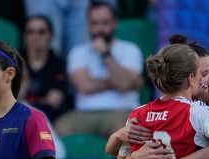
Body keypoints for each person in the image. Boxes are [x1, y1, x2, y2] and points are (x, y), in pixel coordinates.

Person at [55, 1, 144, 139]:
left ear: (115, 23)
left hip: (121, 112)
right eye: (94, 23)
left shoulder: (130, 49)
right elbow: (85, 86)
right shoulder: (78, 52)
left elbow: (123, 84)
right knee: (59, 127)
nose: (99, 29)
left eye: (104, 23)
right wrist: (120, 82)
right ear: (88, 25)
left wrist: (106, 54)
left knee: (123, 131)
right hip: (84, 114)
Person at [22, 15, 68, 121]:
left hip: (46, 119)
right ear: (25, 36)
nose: (35, 36)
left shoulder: (57, 63)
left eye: (41, 32)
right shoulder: (15, 60)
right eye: (30, 32)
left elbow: (53, 102)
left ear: (50, 35)